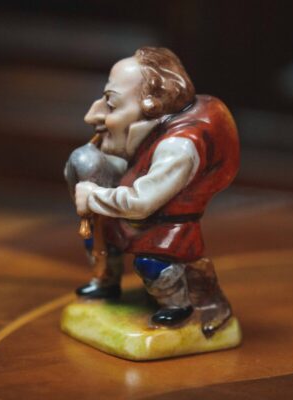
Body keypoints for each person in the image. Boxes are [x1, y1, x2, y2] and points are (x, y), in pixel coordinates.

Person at [71, 47, 240, 335]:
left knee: (152, 264)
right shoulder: (151, 128)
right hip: (131, 215)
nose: (92, 115)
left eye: (111, 104)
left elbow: (142, 202)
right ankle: (105, 281)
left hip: (165, 225)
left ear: (150, 106)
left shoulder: (179, 148)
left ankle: (177, 305)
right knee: (97, 235)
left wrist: (93, 196)